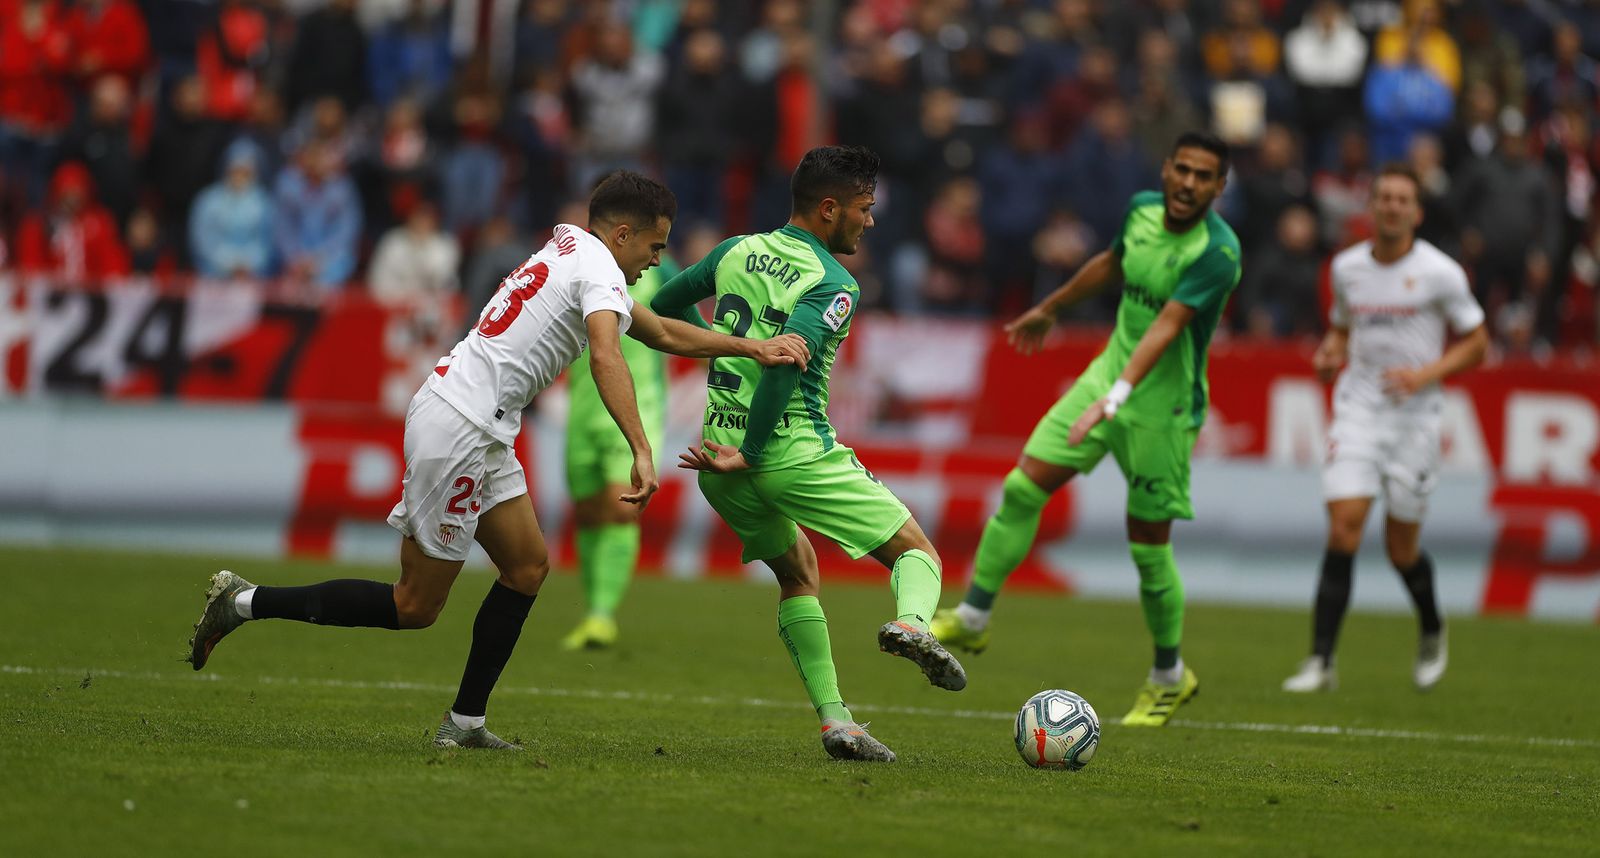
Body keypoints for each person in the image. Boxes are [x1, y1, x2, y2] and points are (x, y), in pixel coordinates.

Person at [184, 171, 811, 750]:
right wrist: (642, 447)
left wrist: (752, 348)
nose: (656, 259)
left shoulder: (573, 246)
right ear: (623, 234)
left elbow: (659, 331)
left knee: (527, 566)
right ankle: (244, 601)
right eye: (653, 246)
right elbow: (606, 355)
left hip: (481, 426)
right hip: (458, 425)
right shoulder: (598, 271)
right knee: (415, 606)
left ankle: (465, 724)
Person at [653, 145, 967, 764]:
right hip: (784, 452)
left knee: (798, 575)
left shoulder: (734, 250)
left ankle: (837, 724)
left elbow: (664, 307)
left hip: (715, 458)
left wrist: (727, 353)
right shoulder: (834, 283)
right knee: (915, 552)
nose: (869, 221)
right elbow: (783, 365)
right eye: (863, 208)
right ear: (829, 209)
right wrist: (755, 450)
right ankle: (913, 625)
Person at [930, 131, 1243, 728]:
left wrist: (1119, 397)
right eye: (1182, 170)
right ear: (1166, 168)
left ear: (1219, 187)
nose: (1189, 184)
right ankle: (972, 618)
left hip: (1162, 409)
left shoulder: (1218, 253)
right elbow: (1111, 263)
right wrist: (1051, 306)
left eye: (1205, 177)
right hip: (1104, 380)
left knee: (1148, 548)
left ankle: (1169, 676)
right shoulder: (1142, 210)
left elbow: (1168, 327)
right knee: (1023, 488)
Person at [1282, 163, 1488, 694]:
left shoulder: (1441, 273)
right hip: (1359, 409)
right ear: (1370, 207)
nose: (1393, 207)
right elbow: (1342, 328)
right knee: (1345, 525)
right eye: (1385, 198)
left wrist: (1426, 374)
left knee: (1402, 549)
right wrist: (1329, 353)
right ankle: (1321, 661)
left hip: (1415, 419)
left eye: (1403, 200)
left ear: (1416, 212)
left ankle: (1432, 626)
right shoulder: (1346, 268)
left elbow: (1477, 342)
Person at [559, 249, 680, 651]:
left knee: (620, 505)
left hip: (637, 409)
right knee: (590, 511)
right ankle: (593, 611)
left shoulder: (661, 271)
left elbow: (680, 328)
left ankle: (601, 615)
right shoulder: (576, 268)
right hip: (583, 409)